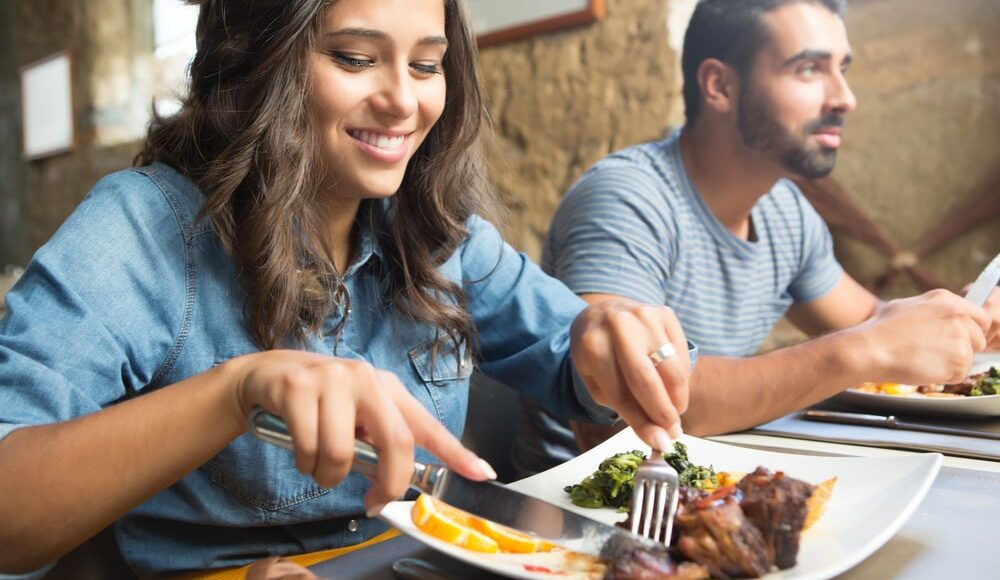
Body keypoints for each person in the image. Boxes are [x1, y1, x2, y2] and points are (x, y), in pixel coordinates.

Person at [0, 1, 692, 577]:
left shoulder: (438, 232)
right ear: (255, 59)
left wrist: (604, 335)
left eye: (426, 64)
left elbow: (571, 358)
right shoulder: (139, 228)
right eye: (356, 59)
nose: (402, 100)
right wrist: (237, 391)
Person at [513, 0, 999, 477]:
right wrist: (861, 349)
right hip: (576, 505)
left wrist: (965, 316)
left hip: (708, 481)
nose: (844, 98)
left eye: (842, 69)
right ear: (720, 85)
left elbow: (873, 321)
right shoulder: (626, 198)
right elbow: (634, 399)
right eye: (809, 69)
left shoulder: (785, 211)